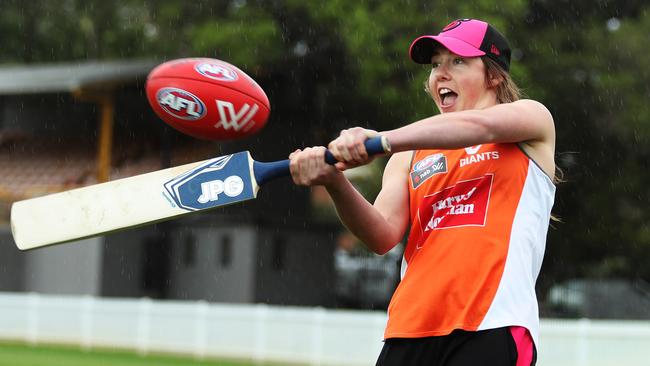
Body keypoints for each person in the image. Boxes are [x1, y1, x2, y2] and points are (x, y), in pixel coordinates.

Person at [289, 18, 555, 366]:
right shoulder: (409, 154)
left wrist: (378, 141)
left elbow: (479, 125)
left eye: (458, 61)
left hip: (491, 324)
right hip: (409, 331)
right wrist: (334, 181)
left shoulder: (531, 121)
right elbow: (381, 235)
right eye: (435, 66)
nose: (441, 74)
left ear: (494, 75)